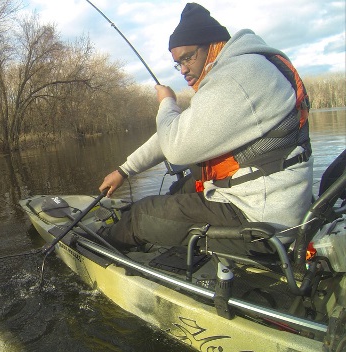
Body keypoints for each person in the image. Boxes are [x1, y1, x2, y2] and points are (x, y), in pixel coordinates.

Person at [98, 2, 313, 254]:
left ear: (213, 46)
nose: (184, 69)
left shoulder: (236, 77)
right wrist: (125, 170)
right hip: (272, 200)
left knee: (142, 214)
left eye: (188, 57)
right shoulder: (247, 69)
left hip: (261, 220)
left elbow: (175, 146)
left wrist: (167, 102)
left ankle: (103, 246)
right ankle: (157, 232)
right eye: (178, 63)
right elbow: (177, 131)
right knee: (182, 189)